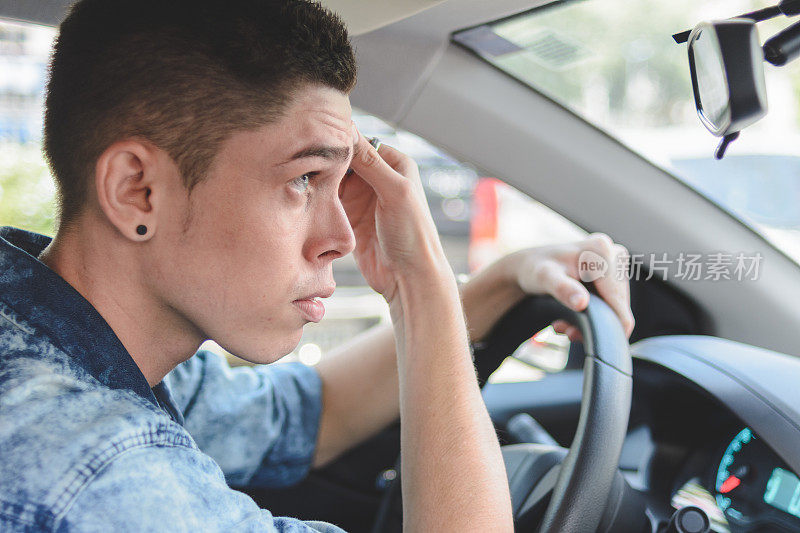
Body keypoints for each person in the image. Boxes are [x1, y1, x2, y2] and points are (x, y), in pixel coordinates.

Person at [0, 0, 635, 531]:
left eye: (340, 181)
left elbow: (299, 415)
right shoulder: (93, 463)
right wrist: (423, 286)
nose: (340, 237)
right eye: (305, 178)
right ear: (137, 191)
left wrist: (499, 280)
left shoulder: (43, 321)